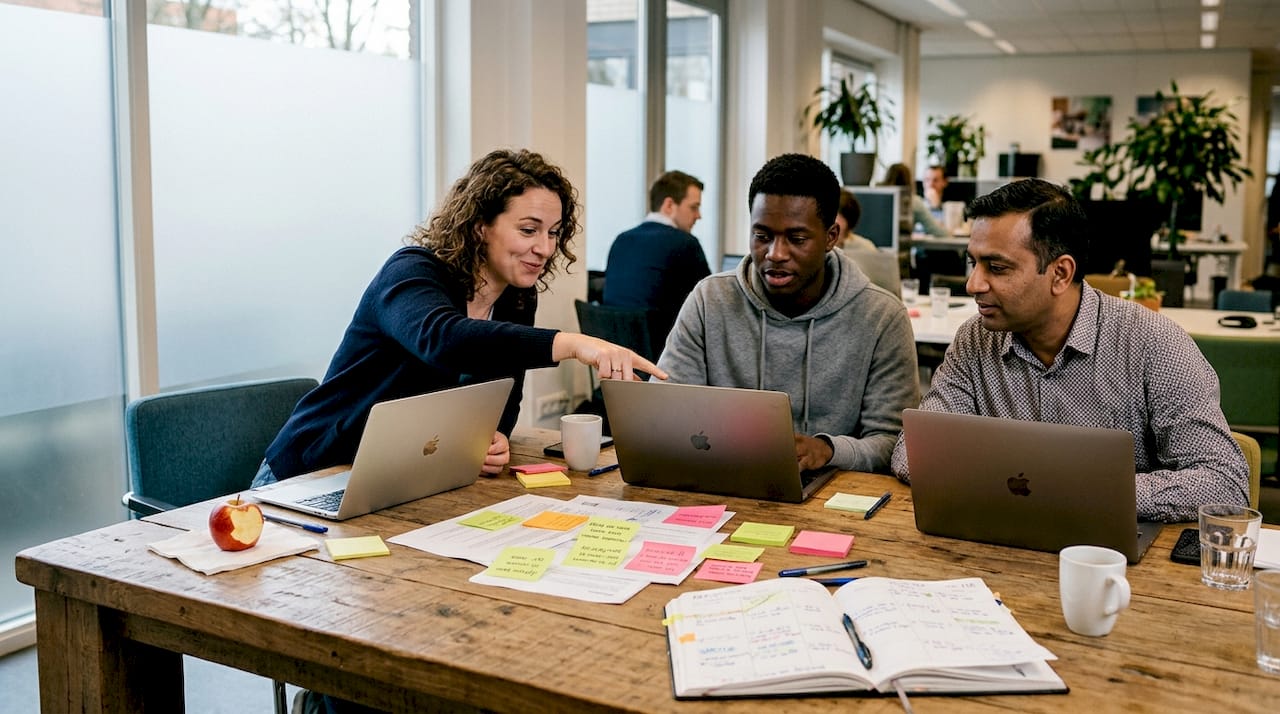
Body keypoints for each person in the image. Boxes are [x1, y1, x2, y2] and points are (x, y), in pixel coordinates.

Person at [258, 148, 666, 489]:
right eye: (529, 230)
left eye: (554, 232)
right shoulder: (411, 273)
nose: (544, 248)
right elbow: (444, 341)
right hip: (312, 473)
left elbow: (504, 393)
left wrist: (496, 437)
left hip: (397, 476)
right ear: (479, 228)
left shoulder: (516, 297)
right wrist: (573, 343)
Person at [889, 179, 1248, 522]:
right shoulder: (975, 340)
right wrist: (1026, 490)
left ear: (1060, 274)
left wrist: (1084, 492)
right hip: (999, 542)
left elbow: (1225, 483)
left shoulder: (1153, 344)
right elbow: (913, 453)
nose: (973, 284)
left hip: (1112, 561)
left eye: (996, 268)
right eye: (974, 263)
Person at [657, 153, 919, 473]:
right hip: (726, 480)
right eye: (762, 236)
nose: (775, 254)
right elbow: (666, 413)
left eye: (796, 239)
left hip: (834, 494)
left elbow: (894, 443)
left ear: (831, 237)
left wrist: (828, 449)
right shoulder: (710, 300)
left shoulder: (882, 316)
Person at [603, 170, 712, 346]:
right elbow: (712, 303)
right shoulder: (686, 244)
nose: (699, 216)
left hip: (615, 358)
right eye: (694, 207)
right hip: (664, 358)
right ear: (669, 205)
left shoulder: (621, 240)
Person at [880, 163, 948, 238]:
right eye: (927, 180)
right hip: (904, 248)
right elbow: (940, 233)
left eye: (935, 180)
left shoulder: (878, 199)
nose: (931, 184)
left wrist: (936, 207)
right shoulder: (914, 202)